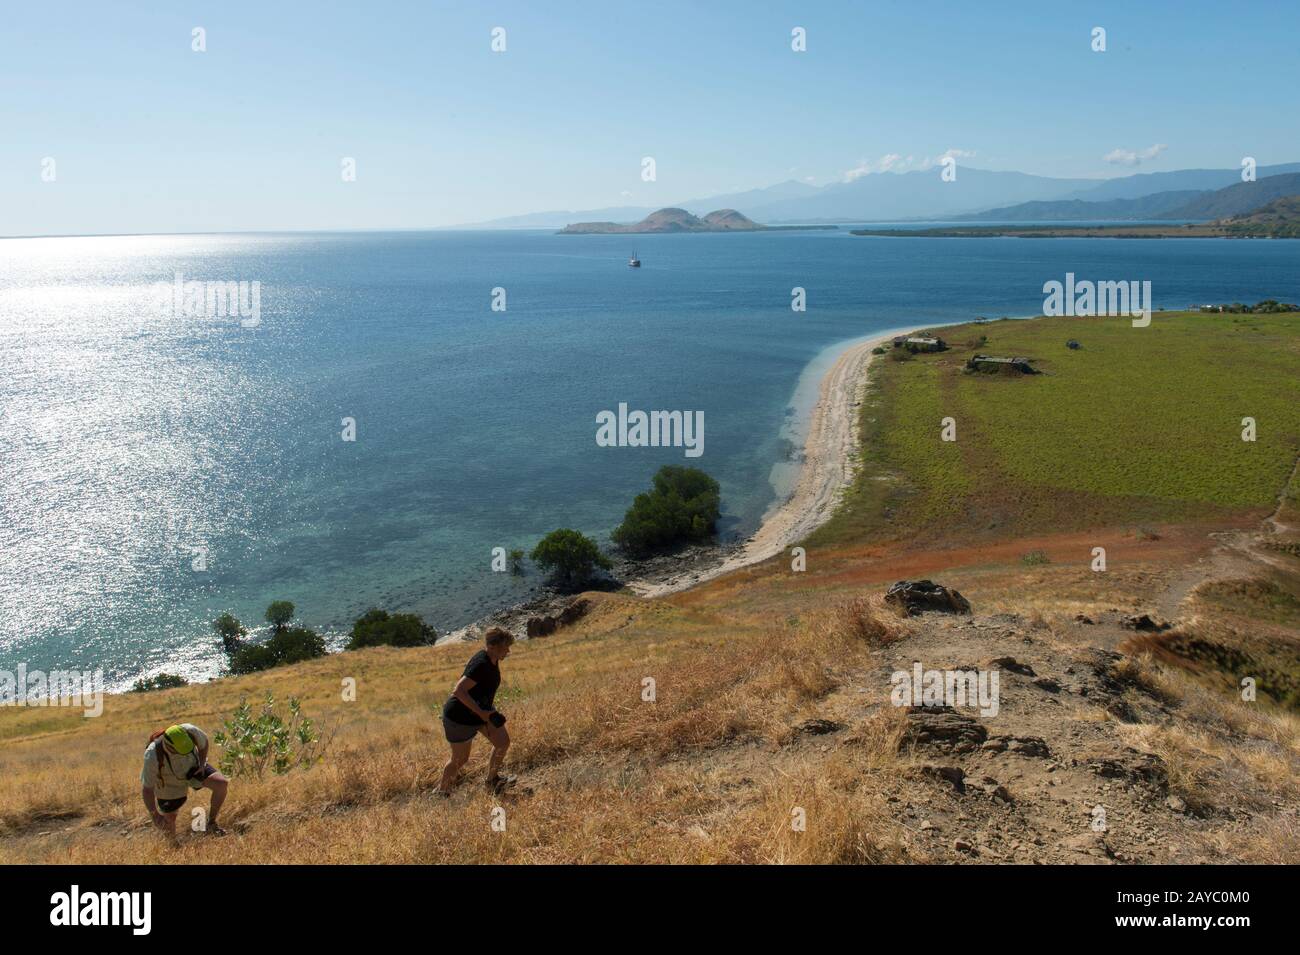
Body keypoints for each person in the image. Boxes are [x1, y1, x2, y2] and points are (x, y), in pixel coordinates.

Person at [438, 628, 516, 796]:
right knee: (460, 760)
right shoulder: (481, 664)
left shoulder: (493, 658)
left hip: (481, 711)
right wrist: (482, 713)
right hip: (459, 718)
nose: (508, 651)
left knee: (503, 742)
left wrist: (486, 712)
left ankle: (492, 782)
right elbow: (458, 691)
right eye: (505, 647)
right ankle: (441, 793)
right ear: (492, 646)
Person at [141, 723, 228, 840]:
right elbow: (147, 789)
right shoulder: (152, 755)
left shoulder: (190, 730)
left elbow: (204, 742)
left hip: (194, 768)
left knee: (221, 784)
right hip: (168, 782)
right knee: (168, 821)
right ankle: (173, 846)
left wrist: (202, 763)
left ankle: (211, 823)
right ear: (168, 745)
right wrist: (155, 816)